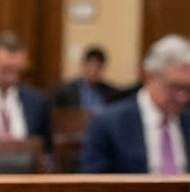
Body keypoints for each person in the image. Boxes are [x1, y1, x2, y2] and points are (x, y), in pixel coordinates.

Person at [81, 35, 190, 174]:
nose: (183, 97)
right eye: (175, 87)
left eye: (188, 89)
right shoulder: (108, 124)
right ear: (149, 75)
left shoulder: (187, 121)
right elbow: (91, 187)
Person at [55, 46, 120, 112]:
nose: (93, 72)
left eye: (97, 68)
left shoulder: (111, 93)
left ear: (102, 69)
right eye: (90, 67)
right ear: (83, 65)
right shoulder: (65, 92)